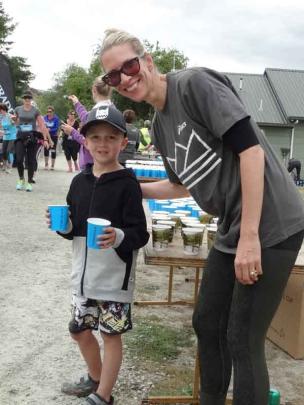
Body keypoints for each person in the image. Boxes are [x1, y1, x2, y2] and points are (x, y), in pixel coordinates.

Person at [99, 29, 304, 405]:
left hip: (272, 223)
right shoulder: (160, 127)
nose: (125, 78)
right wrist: (125, 184)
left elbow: (252, 153)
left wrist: (250, 237)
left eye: (128, 66)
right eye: (113, 76)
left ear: (147, 60)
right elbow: (181, 186)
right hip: (233, 225)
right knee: (207, 323)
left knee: (243, 338)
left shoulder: (194, 85)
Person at [46, 104, 149, 405]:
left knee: (111, 336)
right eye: (96, 138)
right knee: (78, 330)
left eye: (110, 137)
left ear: (123, 142)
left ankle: (103, 396)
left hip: (113, 281)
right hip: (83, 278)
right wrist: (62, 226)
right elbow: (73, 229)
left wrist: (117, 236)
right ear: (85, 141)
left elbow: (139, 235)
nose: (102, 144)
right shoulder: (79, 181)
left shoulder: (128, 185)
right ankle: (96, 377)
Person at [61, 76, 113, 170]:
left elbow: (90, 142)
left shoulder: (97, 113)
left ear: (94, 90)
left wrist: (72, 132)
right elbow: (86, 117)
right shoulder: (110, 110)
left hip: (92, 164)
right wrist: (76, 103)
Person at [14, 91, 50, 191]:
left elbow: (42, 125)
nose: (27, 99)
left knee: (30, 161)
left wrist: (45, 139)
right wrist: (13, 120)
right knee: (19, 159)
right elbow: (15, 123)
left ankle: (29, 182)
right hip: (20, 136)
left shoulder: (35, 110)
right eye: (25, 98)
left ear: (31, 99)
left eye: (29, 98)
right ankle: (21, 179)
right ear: (23, 99)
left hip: (32, 137)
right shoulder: (18, 109)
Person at [0, 103, 17, 173]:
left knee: (9, 151)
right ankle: (4, 165)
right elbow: (1, 127)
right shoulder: (0, 117)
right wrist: (1, 131)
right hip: (5, 137)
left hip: (12, 136)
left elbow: (16, 123)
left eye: (0, 110)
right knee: (4, 152)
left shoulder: (10, 116)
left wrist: (13, 122)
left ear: (3, 109)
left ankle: (10, 167)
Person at [43, 105, 60, 170]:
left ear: (53, 112)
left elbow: (56, 128)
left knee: (53, 150)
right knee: (46, 149)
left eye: (50, 111)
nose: (48, 113)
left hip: (53, 136)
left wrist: (50, 129)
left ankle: (52, 165)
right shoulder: (44, 118)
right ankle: (46, 164)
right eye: (47, 111)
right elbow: (43, 126)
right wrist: (46, 130)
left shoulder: (56, 118)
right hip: (46, 136)